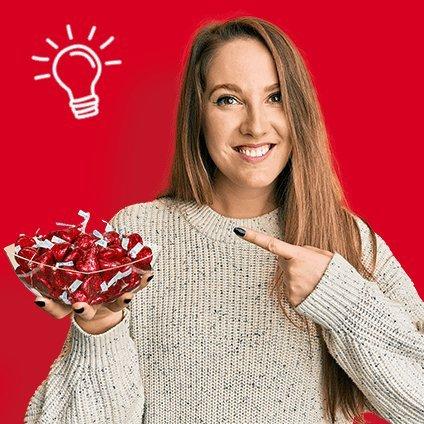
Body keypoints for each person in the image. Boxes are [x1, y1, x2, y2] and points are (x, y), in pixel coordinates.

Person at [24, 16, 424, 424]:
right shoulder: (139, 238)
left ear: (299, 111)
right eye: (228, 100)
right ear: (199, 115)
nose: (254, 125)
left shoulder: (345, 239)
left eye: (276, 97)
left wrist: (341, 301)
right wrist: (100, 332)